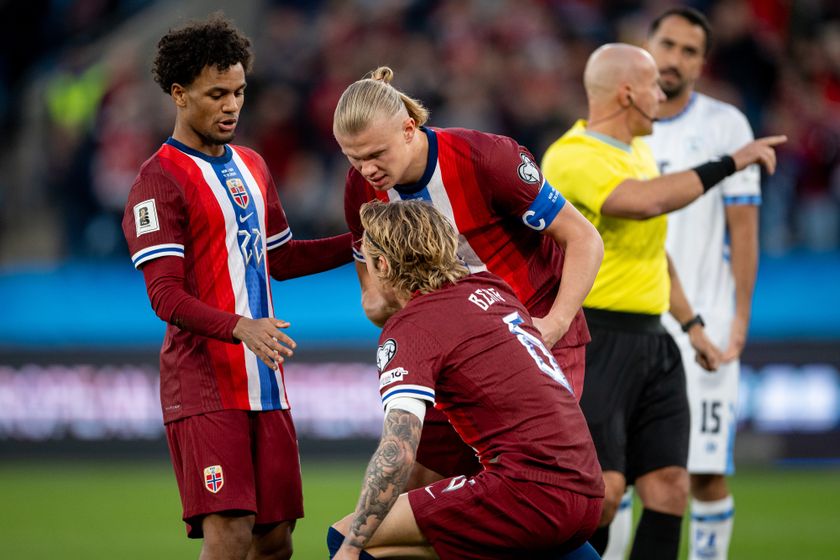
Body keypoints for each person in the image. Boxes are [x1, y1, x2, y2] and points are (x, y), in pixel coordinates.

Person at [541, 43, 785, 560]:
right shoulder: (571, 156)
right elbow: (644, 203)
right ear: (627, 92)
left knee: (671, 486)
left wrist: (692, 324)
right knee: (603, 494)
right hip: (595, 340)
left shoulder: (638, 152)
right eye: (653, 86)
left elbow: (657, 254)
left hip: (655, 340)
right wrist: (732, 162)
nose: (661, 94)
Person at [121, 15, 352, 560]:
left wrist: (363, 240)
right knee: (228, 534)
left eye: (240, 92)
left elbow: (282, 259)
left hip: (264, 383)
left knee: (274, 541)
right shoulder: (158, 180)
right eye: (216, 94)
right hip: (204, 386)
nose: (231, 106)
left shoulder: (252, 165)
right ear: (179, 95)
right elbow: (165, 296)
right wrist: (239, 326)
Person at [334, 66, 604, 487]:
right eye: (354, 157)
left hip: (533, 334)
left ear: (409, 128)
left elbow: (584, 238)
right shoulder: (360, 189)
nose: (366, 170)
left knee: (533, 484)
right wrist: (383, 304)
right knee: (414, 490)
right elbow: (372, 292)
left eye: (375, 155)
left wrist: (554, 324)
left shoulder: (487, 159)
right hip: (455, 353)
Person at [328, 200, 604, 560]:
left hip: (527, 492)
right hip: (585, 489)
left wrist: (350, 549)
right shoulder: (492, 289)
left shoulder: (412, 327)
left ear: (381, 264)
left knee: (351, 537)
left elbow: (397, 453)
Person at [642, 8, 759, 560]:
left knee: (705, 473)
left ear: (702, 62)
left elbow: (745, 232)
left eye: (689, 51)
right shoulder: (616, 123)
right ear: (647, 44)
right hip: (631, 323)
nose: (674, 58)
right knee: (613, 478)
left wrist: (738, 324)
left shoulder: (727, 127)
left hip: (705, 326)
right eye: (667, 44)